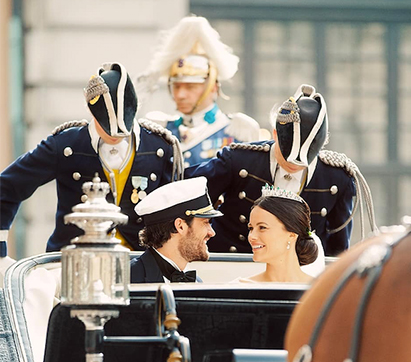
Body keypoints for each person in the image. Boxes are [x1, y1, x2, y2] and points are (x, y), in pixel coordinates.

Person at [0, 62, 183, 276]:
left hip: (140, 267)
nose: (115, 135)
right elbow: (8, 186)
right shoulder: (66, 145)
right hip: (72, 266)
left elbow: (177, 211)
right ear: (91, 111)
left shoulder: (160, 147)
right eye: (108, 128)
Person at [185, 83, 377, 257]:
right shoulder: (238, 160)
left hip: (298, 276)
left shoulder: (338, 178)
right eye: (287, 155)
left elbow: (337, 248)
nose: (294, 165)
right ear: (275, 133)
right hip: (232, 263)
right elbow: (189, 200)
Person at [137, 16, 261, 168]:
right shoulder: (159, 129)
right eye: (177, 86)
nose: (180, 95)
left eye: (190, 87)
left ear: (213, 87)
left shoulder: (236, 131)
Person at [130, 176, 222, 283]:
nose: (212, 232)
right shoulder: (128, 279)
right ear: (180, 226)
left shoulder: (197, 282)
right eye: (206, 222)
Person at [236, 185, 319, 283]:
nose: (251, 236)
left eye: (262, 227)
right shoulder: (240, 287)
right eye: (251, 228)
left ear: (292, 234)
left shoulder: (321, 290)